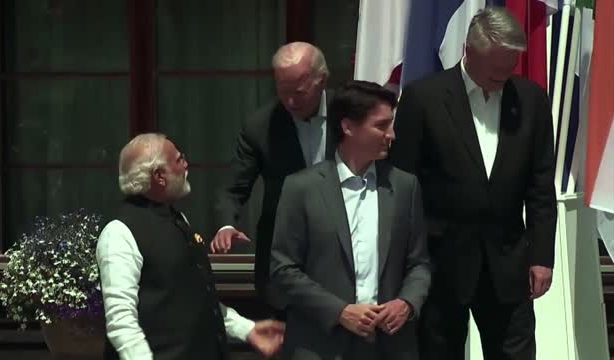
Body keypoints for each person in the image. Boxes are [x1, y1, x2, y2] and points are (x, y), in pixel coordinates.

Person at [389, 7, 557, 360]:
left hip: (509, 262)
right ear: (468, 50)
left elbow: (541, 186)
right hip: (440, 260)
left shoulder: (531, 100)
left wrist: (542, 256)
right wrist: (406, 261)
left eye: (510, 65)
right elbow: (403, 184)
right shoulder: (423, 99)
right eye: (496, 68)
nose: (504, 75)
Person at [270, 81, 431, 360]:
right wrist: (340, 312)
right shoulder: (301, 188)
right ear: (348, 127)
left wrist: (407, 303)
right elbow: (283, 269)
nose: (391, 134)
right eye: (381, 126)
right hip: (321, 345)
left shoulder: (405, 187)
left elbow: (419, 263)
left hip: (390, 347)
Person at [96, 133, 284, 360]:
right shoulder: (119, 233)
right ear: (159, 176)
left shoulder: (179, 220)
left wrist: (247, 329)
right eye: (178, 159)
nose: (186, 164)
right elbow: (121, 322)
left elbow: (196, 299)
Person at [211, 42, 337, 314]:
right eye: (283, 90)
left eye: (299, 92)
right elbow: (232, 189)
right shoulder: (261, 126)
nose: (290, 101)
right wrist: (226, 226)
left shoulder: (349, 115)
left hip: (343, 255)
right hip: (284, 259)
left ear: (323, 80)